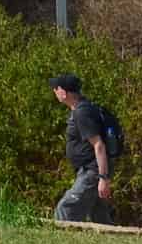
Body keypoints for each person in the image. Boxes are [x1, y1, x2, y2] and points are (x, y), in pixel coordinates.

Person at [49, 73, 117, 224]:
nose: (54, 91)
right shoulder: (85, 108)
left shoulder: (82, 112)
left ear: (64, 92)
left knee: (66, 209)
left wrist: (103, 178)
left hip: (92, 171)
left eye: (56, 88)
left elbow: (98, 145)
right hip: (91, 170)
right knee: (100, 217)